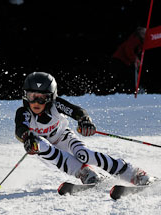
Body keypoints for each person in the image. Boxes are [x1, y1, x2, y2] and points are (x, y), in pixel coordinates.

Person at [14, 72, 152, 185]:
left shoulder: (56, 105)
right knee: (39, 143)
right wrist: (27, 138)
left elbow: (76, 111)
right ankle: (84, 172)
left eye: (42, 98)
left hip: (64, 137)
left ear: (50, 98)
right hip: (46, 150)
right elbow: (20, 128)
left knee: (84, 154)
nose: (36, 103)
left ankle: (132, 173)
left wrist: (84, 121)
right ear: (25, 96)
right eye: (32, 97)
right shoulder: (24, 112)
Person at [110, 27, 146, 93]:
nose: (145, 34)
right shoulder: (135, 39)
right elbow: (128, 50)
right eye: (143, 33)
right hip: (119, 60)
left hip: (125, 61)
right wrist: (135, 59)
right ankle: (122, 91)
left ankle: (130, 90)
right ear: (139, 33)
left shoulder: (140, 41)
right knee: (122, 77)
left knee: (128, 76)